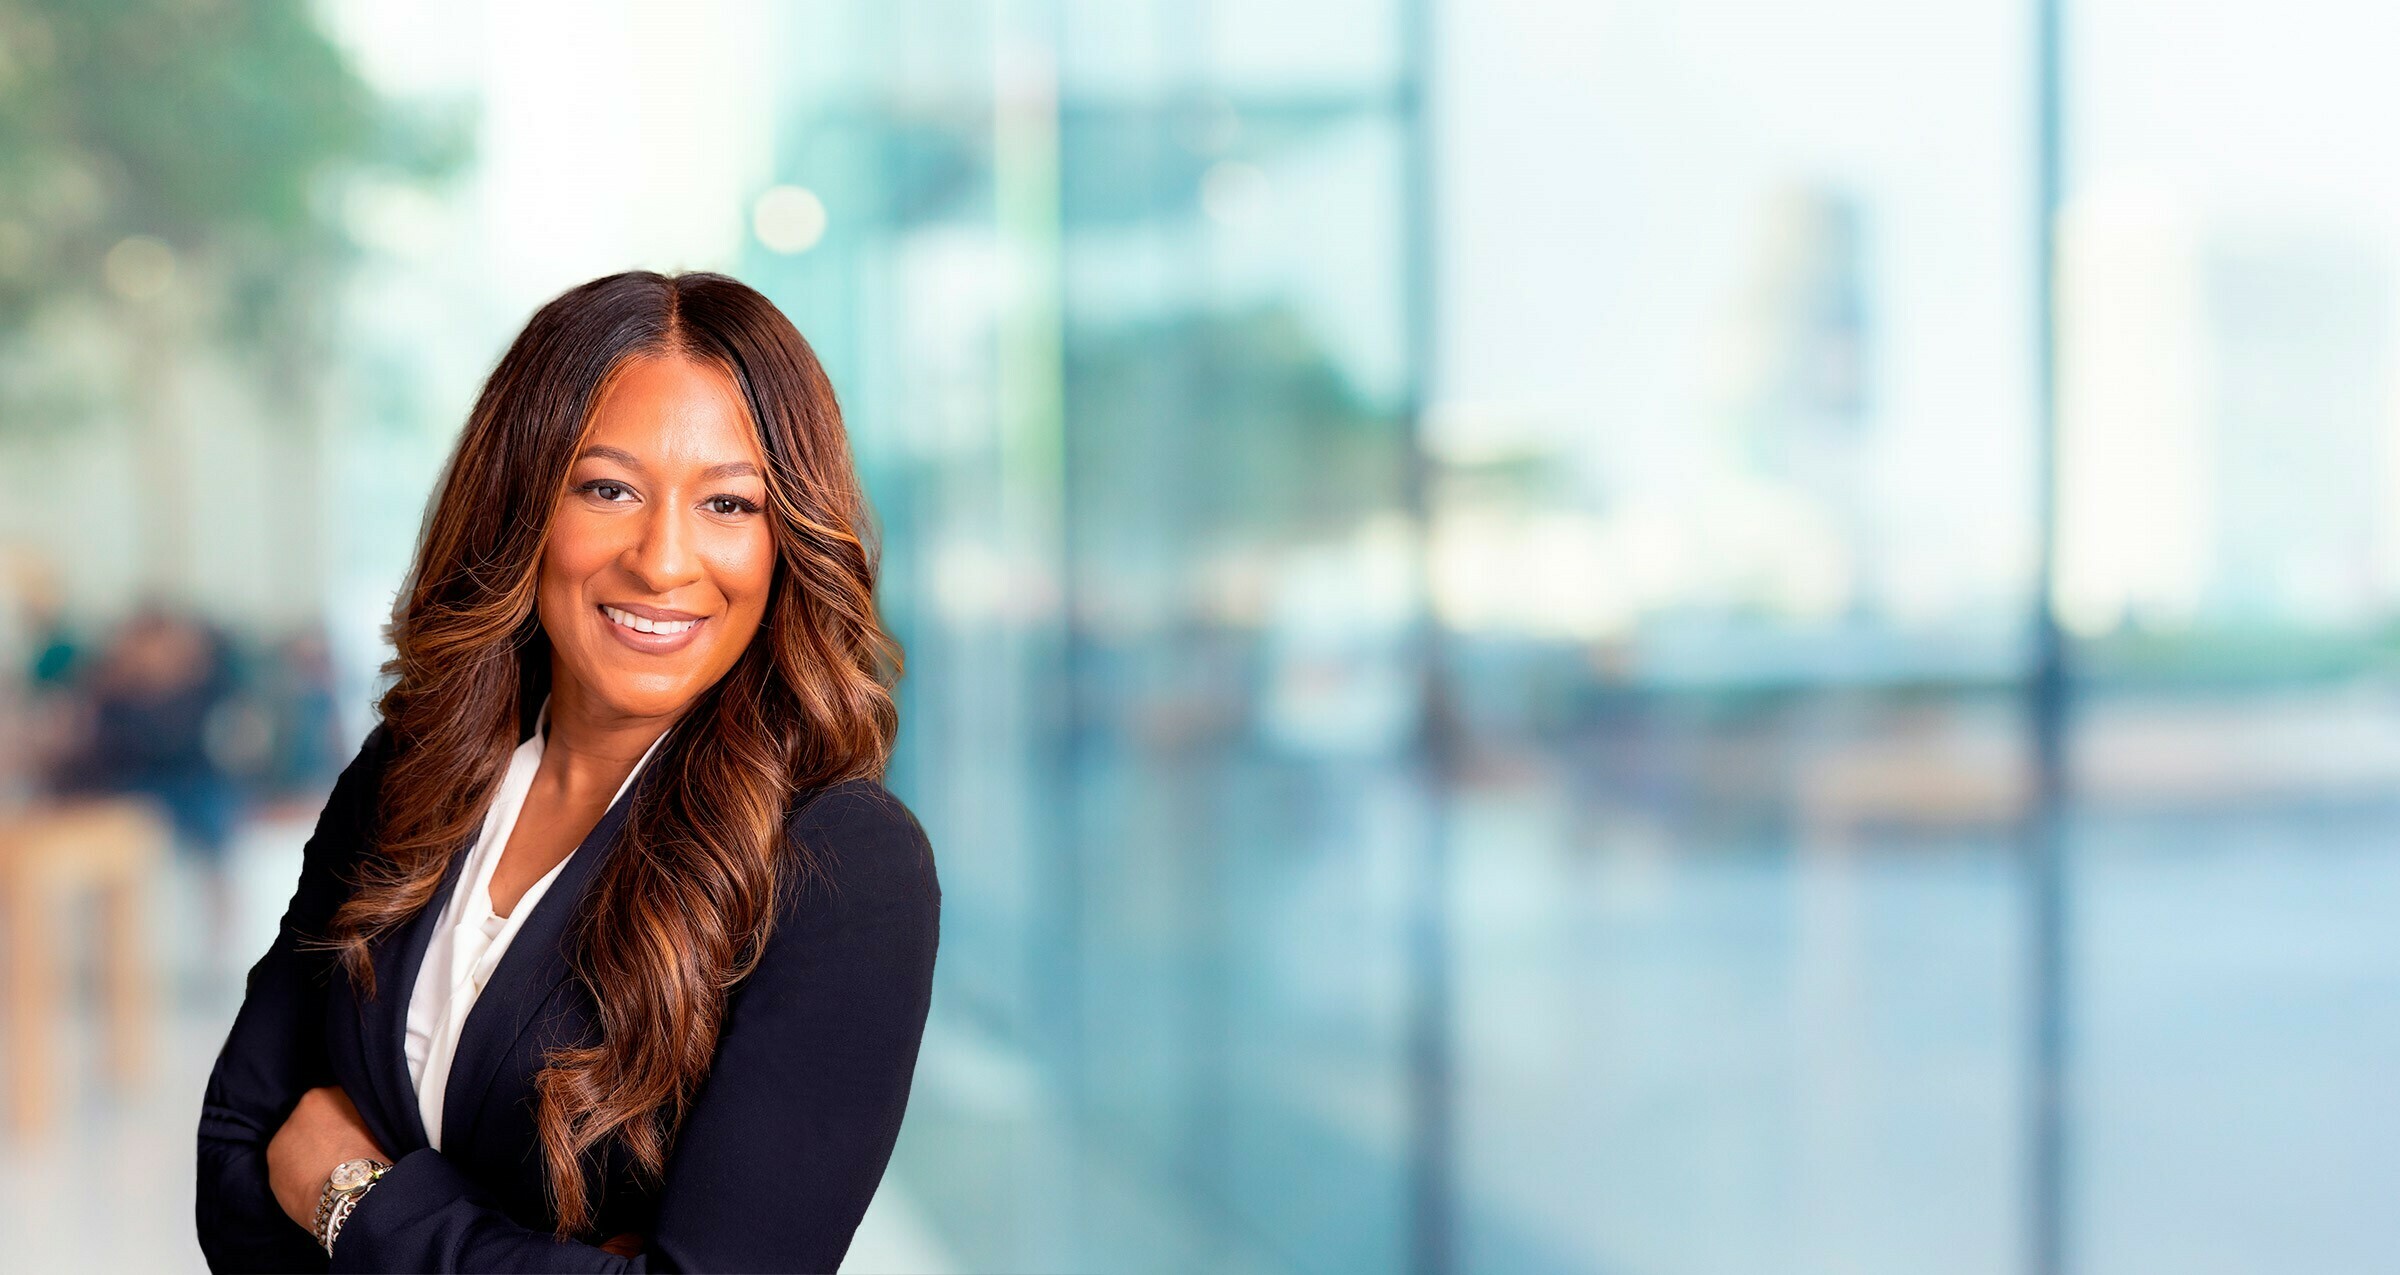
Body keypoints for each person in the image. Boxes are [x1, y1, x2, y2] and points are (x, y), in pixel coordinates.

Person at [194, 270, 941, 1273]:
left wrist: (348, 1197)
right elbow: (237, 1156)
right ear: (523, 504)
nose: (664, 560)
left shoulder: (840, 862)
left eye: (728, 502)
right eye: (610, 489)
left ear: (785, 541)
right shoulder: (414, 777)